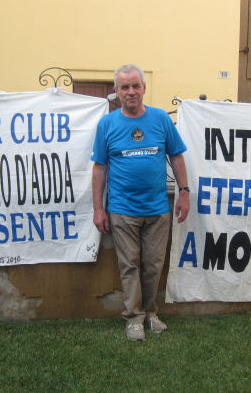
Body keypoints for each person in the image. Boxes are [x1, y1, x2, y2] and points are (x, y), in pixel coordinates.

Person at [91, 64, 190, 341]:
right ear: (117, 91)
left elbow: (177, 156)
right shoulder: (107, 124)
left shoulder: (160, 119)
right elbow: (99, 168)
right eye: (125, 87)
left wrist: (184, 193)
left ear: (144, 88)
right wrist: (98, 209)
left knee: (153, 266)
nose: (131, 91)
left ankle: (151, 314)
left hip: (157, 209)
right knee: (130, 266)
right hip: (122, 210)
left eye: (136, 86)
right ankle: (134, 319)